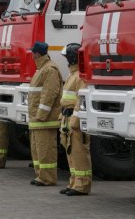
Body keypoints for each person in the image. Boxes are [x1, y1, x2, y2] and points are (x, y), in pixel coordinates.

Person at [27, 41, 62, 186]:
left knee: (46, 150)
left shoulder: (50, 70)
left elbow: (49, 94)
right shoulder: (41, 69)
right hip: (37, 120)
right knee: (38, 150)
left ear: (36, 54)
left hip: (44, 120)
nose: (31, 56)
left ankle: (47, 178)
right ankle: (40, 176)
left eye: (32, 53)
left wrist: (41, 115)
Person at [59, 43, 91, 196]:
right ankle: (74, 182)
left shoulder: (79, 76)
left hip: (74, 119)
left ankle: (82, 185)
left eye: (67, 57)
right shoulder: (72, 75)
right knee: (70, 152)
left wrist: (75, 119)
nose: (65, 60)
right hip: (67, 117)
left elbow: (81, 99)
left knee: (78, 152)